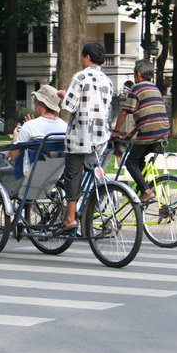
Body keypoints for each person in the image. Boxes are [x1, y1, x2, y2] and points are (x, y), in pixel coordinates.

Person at [56, 42, 114, 235]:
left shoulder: (80, 77)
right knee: (93, 173)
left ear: (87, 57)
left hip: (80, 137)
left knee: (72, 175)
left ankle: (70, 218)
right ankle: (92, 209)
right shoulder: (107, 81)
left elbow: (69, 105)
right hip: (101, 137)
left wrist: (62, 94)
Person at [111, 59, 170, 204]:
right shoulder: (155, 89)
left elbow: (124, 112)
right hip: (163, 132)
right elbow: (147, 115)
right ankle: (144, 186)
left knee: (130, 161)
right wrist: (131, 133)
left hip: (149, 133)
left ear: (138, 75)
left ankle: (146, 191)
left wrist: (116, 131)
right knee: (139, 159)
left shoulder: (136, 88)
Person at [0, 85, 67, 174]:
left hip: (24, 169)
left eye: (35, 101)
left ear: (41, 103)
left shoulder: (30, 126)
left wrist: (15, 137)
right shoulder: (65, 126)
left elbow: (14, 158)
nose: (34, 103)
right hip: (50, 171)